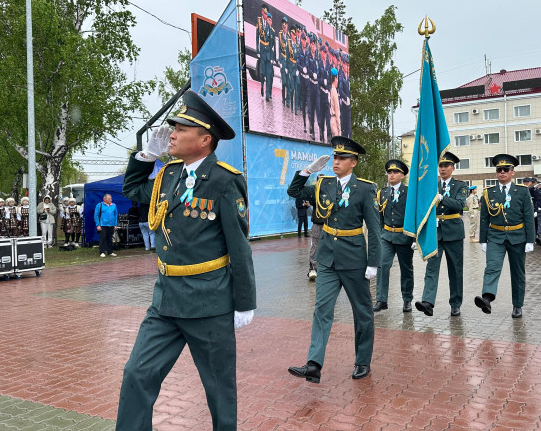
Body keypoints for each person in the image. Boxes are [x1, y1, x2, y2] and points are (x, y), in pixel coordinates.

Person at [117, 90, 256, 430]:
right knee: (137, 373)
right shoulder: (168, 175)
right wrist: (146, 157)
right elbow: (133, 190)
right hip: (166, 301)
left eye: (181, 128)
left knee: (219, 389)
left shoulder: (225, 181)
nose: (172, 134)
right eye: (173, 127)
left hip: (209, 303)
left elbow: (239, 247)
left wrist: (244, 302)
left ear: (205, 139)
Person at [287, 136, 380, 383]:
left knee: (362, 312)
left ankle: (362, 361)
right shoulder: (323, 184)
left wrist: (373, 262)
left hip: (354, 259)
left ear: (354, 163)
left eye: (342, 158)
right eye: (335, 157)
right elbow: (292, 191)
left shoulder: (366, 188)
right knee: (322, 310)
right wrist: (307, 170)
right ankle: (314, 364)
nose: (336, 162)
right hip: (327, 257)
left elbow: (374, 227)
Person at [474, 154, 535, 319]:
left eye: (505, 169)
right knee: (492, 267)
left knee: (517, 272)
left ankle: (517, 305)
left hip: (518, 236)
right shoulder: (489, 192)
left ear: (512, 172)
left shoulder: (522, 191)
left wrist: (530, 240)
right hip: (496, 235)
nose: (502, 172)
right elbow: (485, 218)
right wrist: (483, 240)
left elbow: (528, 217)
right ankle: (487, 298)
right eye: (499, 170)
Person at [415, 151, 466, 317]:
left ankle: (456, 303)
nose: (442, 169)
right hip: (434, 232)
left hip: (454, 232)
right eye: (441, 166)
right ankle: (428, 302)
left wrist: (441, 198)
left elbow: (459, 205)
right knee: (431, 268)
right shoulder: (432, 185)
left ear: (452, 168)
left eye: (446, 166)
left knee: (455, 270)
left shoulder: (461, 185)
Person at [374, 159, 414, 313]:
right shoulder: (382, 193)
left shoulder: (409, 192)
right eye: (389, 172)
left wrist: (415, 237)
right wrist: (379, 235)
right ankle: (381, 299)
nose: (391, 175)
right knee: (382, 265)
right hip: (386, 237)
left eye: (395, 172)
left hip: (404, 236)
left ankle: (407, 299)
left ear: (402, 175)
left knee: (406, 269)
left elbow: (413, 216)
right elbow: (380, 217)